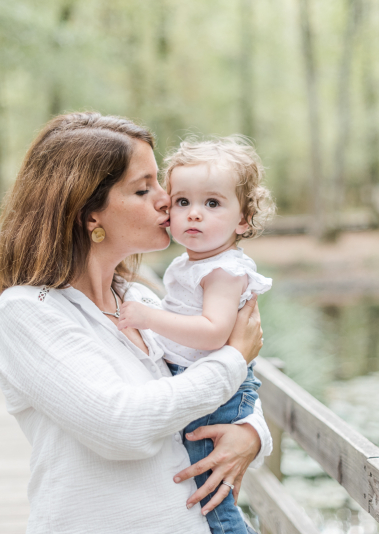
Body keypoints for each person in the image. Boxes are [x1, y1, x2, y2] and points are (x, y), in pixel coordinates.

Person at [0, 112, 272, 534]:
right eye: (144, 189)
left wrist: (251, 432)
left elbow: (210, 380)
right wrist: (234, 358)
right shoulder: (29, 311)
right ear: (90, 214)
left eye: (160, 183)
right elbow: (120, 424)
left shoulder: (140, 299)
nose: (166, 199)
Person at [117, 136, 275, 534]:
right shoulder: (193, 263)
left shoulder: (222, 271)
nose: (194, 214)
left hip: (216, 399)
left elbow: (213, 333)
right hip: (204, 383)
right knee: (206, 489)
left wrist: (149, 317)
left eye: (213, 203)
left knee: (211, 496)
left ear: (243, 220)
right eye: (183, 201)